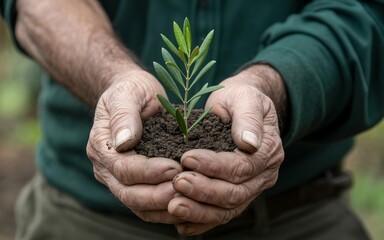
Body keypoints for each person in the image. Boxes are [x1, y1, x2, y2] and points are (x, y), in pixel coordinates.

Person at [1, 0, 383, 239]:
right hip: (86, 217)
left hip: (297, 214)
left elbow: (367, 12)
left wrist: (274, 87)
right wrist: (113, 78)